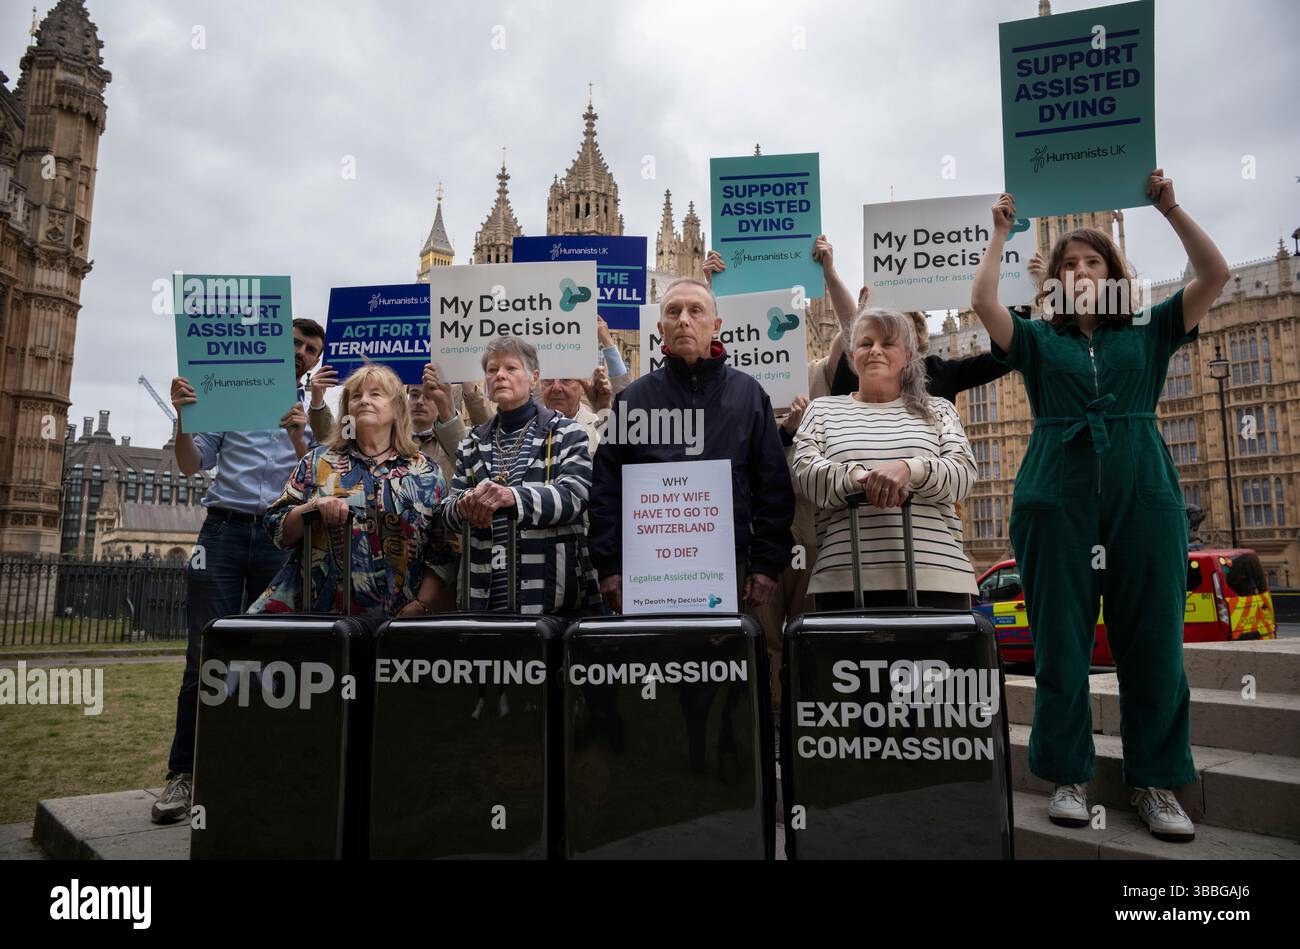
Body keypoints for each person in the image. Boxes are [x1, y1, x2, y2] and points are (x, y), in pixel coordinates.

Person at [970, 169, 1231, 842]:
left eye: (1093, 260)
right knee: (1060, 639)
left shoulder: (1149, 330)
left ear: (1115, 268)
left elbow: (1215, 273)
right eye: (1068, 263)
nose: (1081, 270)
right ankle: (1068, 773)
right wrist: (999, 234)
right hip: (1056, 492)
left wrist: (1170, 207)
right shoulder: (1037, 338)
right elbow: (983, 303)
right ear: (1051, 280)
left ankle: (1156, 779)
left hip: (1141, 489)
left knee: (1154, 644)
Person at [151, 316, 326, 824]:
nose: (301, 353)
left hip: (281, 538)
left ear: (316, 361)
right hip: (224, 532)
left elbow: (323, 477)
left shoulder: (316, 412)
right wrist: (184, 415)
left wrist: (301, 431)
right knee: (203, 658)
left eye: (310, 349)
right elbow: (190, 464)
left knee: (275, 663)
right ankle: (183, 776)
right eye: (295, 343)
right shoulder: (229, 395)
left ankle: (258, 774)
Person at [588, 277, 795, 613]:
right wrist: (610, 566)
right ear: (661, 328)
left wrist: (766, 565)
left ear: (716, 326)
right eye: (673, 312)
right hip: (648, 571)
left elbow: (773, 486)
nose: (683, 319)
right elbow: (607, 487)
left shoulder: (748, 396)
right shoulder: (634, 399)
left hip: (729, 565)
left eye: (695, 310)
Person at [793, 307, 979, 609]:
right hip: (844, 579)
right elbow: (807, 476)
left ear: (908, 355)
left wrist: (908, 469)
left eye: (887, 343)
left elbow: (963, 475)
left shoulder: (939, 410)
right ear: (852, 354)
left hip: (938, 579)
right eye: (866, 343)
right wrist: (865, 479)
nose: (875, 351)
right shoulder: (821, 410)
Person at [248, 363, 455, 617]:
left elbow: (442, 548)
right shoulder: (317, 461)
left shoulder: (426, 471)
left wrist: (422, 605)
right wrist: (312, 508)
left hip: (399, 620)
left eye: (375, 394)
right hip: (321, 618)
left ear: (397, 408)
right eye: (356, 396)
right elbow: (276, 527)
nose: (364, 401)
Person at [443, 336, 601, 616]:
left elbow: (574, 497)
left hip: (552, 598)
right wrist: (466, 503)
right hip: (485, 598)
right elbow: (447, 512)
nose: (500, 375)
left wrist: (512, 497)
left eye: (511, 368)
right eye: (492, 370)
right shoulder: (472, 442)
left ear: (533, 379)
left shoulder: (566, 433)